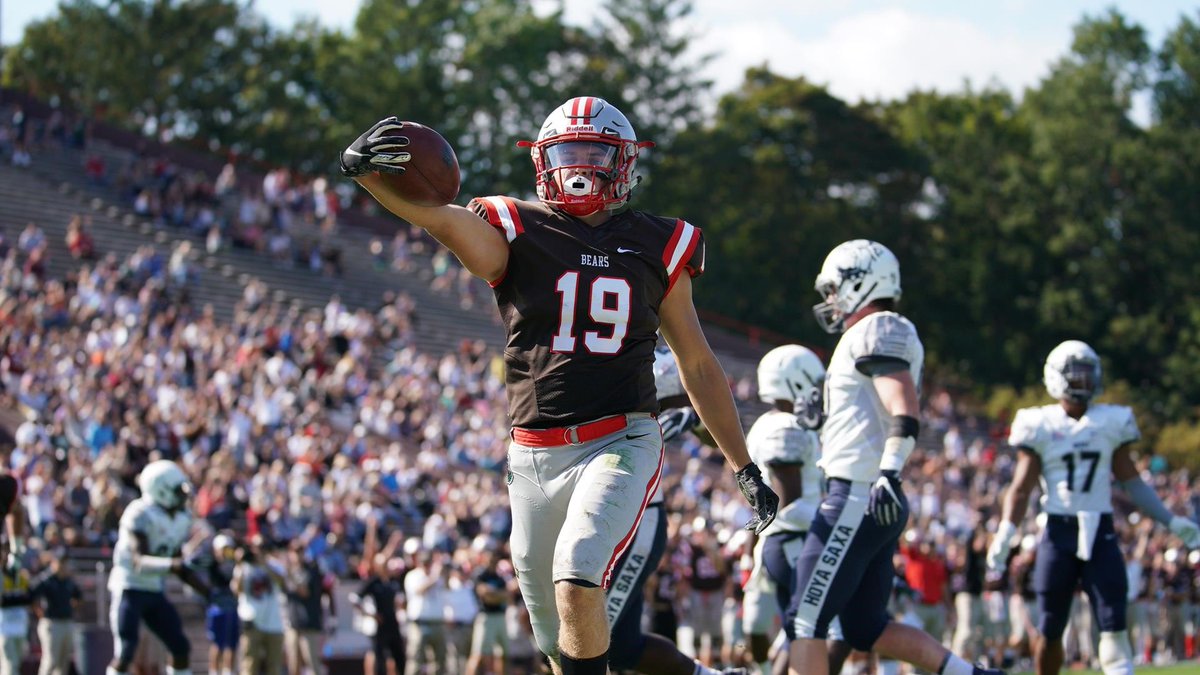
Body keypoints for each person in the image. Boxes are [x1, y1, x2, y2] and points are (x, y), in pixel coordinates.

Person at [340, 96, 778, 675]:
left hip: (620, 440)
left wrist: (741, 464)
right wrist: (366, 175)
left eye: (594, 151)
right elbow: (435, 216)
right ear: (543, 160)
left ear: (624, 162)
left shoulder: (660, 242)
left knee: (578, 572)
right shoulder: (516, 225)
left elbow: (696, 362)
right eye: (567, 151)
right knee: (556, 644)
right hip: (532, 456)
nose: (580, 165)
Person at [785, 240, 1001, 675]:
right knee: (866, 628)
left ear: (861, 280)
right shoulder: (869, 333)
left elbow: (902, 405)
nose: (829, 300)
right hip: (869, 493)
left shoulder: (878, 327)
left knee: (804, 620)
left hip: (860, 492)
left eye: (833, 288)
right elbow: (871, 414)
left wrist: (888, 471)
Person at [985, 339, 1200, 675]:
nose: (1083, 381)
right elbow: (1021, 487)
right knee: (1051, 627)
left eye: (1088, 373)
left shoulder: (1110, 421)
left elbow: (1133, 482)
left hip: (1100, 530)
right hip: (1058, 531)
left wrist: (1171, 521)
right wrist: (1005, 532)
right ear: (1055, 377)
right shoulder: (1039, 423)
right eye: (1076, 374)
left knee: (1113, 622)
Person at [605, 345, 747, 674]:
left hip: (637, 528)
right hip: (622, 525)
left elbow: (711, 433)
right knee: (624, 647)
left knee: (591, 637)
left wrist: (693, 415)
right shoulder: (633, 410)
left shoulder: (651, 410)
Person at [742, 345, 828, 675]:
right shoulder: (786, 427)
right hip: (792, 537)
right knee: (805, 627)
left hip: (780, 538)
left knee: (792, 628)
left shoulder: (768, 422)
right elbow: (785, 496)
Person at [106, 460, 211, 675]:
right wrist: (176, 564)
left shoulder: (180, 518)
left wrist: (210, 593)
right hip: (129, 587)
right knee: (126, 651)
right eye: (178, 491)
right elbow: (139, 561)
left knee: (180, 646)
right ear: (161, 489)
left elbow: (179, 565)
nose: (183, 497)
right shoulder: (140, 513)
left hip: (154, 589)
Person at [30, 552, 83, 675]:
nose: (64, 566)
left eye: (65, 563)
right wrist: (39, 612)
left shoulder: (68, 580)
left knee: (63, 663)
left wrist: (69, 608)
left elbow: (79, 597)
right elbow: (32, 595)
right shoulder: (47, 579)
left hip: (66, 622)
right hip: (51, 623)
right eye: (61, 562)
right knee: (50, 661)